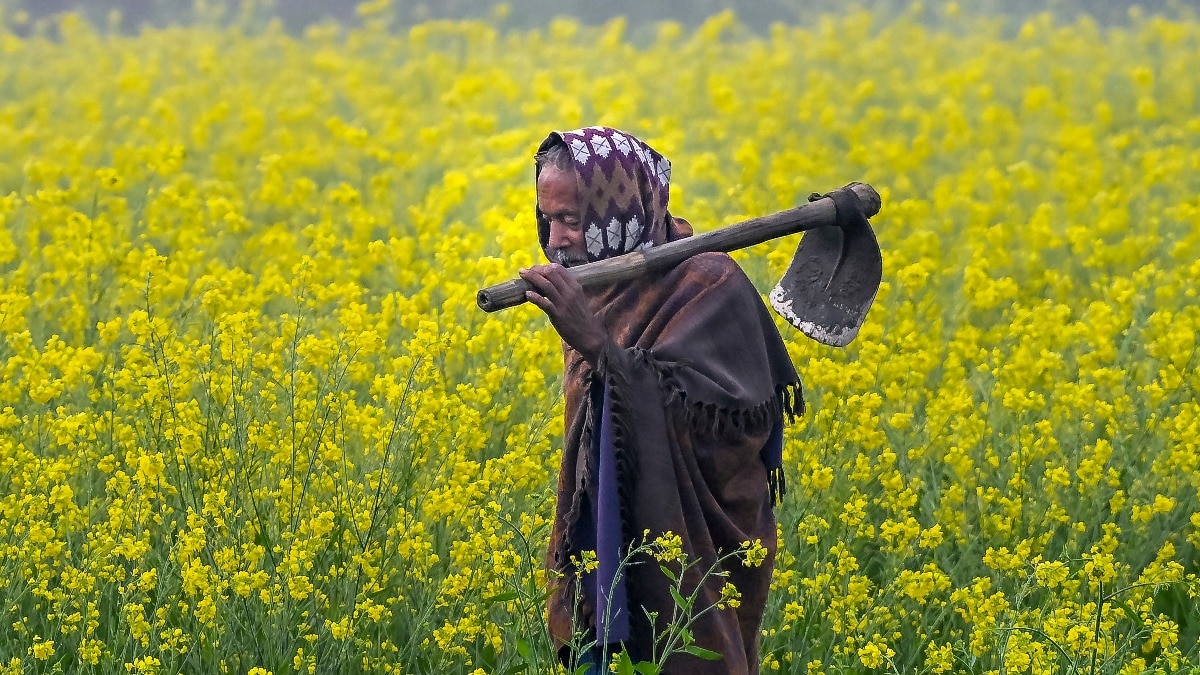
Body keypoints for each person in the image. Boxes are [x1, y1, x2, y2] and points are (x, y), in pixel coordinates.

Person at [519, 126, 803, 674]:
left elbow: (726, 432)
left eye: (572, 221)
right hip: (611, 545)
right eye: (546, 219)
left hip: (695, 553)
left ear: (618, 210)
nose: (554, 240)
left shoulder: (709, 285)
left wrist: (602, 349)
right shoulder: (598, 291)